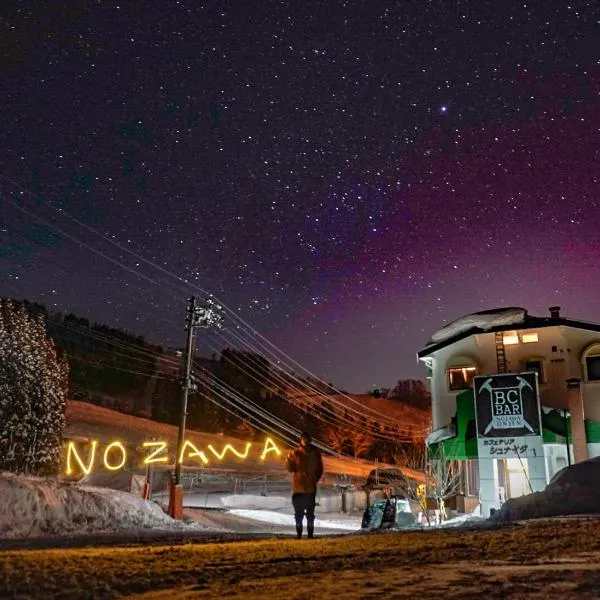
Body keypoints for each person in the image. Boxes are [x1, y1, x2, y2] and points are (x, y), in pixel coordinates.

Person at [285, 431, 324, 539]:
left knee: (305, 514)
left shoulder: (312, 453)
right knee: (301, 514)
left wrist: (313, 479)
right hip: (301, 489)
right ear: (301, 440)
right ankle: (302, 534)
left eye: (306, 439)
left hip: (305, 489)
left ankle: (306, 535)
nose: (305, 441)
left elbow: (319, 469)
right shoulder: (295, 453)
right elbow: (290, 468)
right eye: (304, 439)